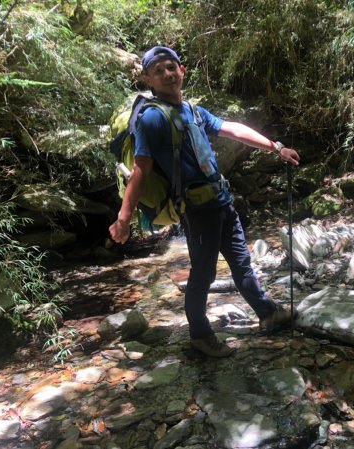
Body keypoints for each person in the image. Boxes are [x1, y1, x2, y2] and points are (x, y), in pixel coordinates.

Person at [108, 46, 300, 357]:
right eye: (159, 71)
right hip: (197, 209)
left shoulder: (193, 111)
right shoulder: (152, 119)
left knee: (242, 264)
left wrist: (276, 147)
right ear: (148, 79)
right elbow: (141, 170)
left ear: (182, 70)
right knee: (203, 274)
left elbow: (232, 129)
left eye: (171, 67)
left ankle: (268, 312)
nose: (167, 74)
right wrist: (124, 216)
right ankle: (199, 334)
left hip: (222, 201)